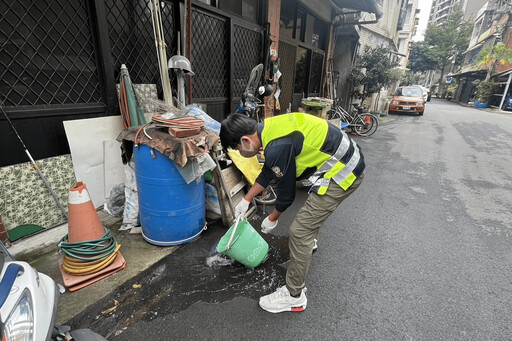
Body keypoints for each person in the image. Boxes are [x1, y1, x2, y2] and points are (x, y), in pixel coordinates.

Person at [219, 112, 365, 313]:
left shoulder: (277, 146)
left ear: (245, 141)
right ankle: (307, 242)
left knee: (299, 232)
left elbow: (286, 196)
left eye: (236, 149)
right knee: (309, 220)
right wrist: (245, 199)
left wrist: (272, 218)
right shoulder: (269, 129)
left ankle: (294, 295)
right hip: (344, 160)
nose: (239, 153)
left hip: (343, 172)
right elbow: (269, 171)